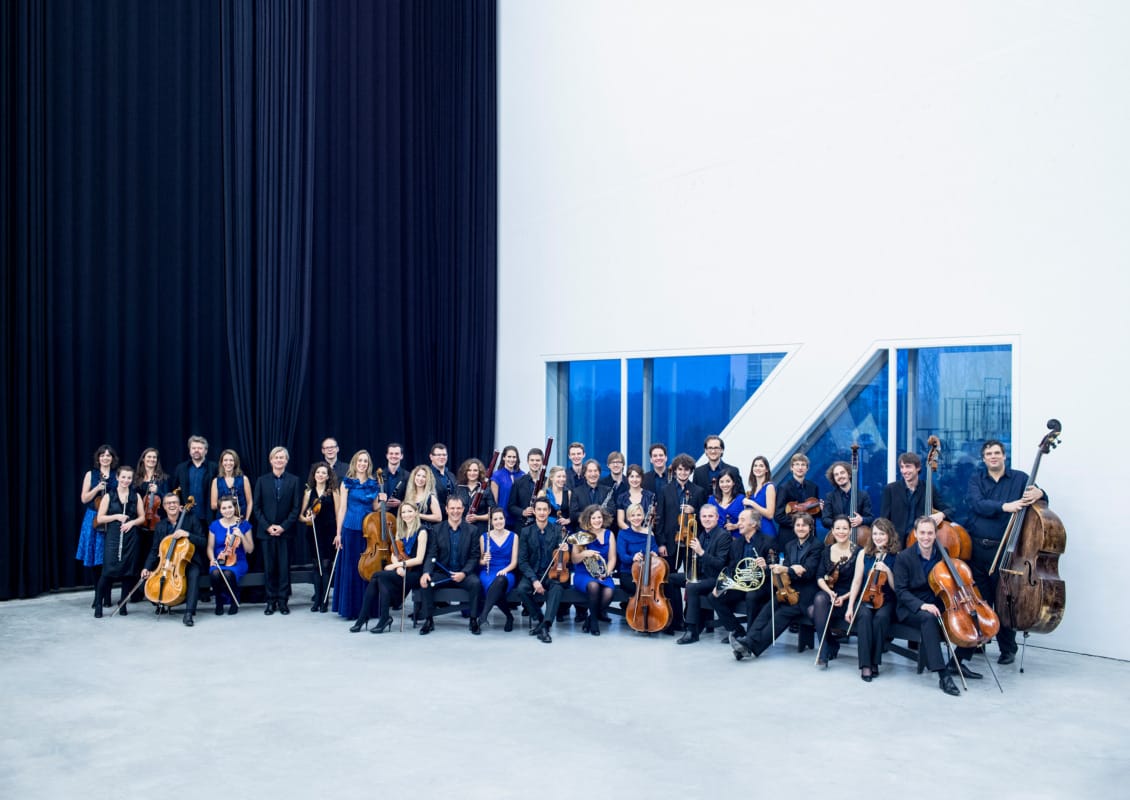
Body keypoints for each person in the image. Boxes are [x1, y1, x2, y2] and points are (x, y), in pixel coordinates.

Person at [964, 439, 1046, 665]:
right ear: (983, 459)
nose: (993, 456)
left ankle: (1007, 649)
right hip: (978, 549)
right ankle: (979, 641)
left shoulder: (1020, 479)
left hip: (1007, 551)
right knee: (980, 599)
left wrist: (1039, 492)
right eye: (989, 454)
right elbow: (976, 504)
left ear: (1004, 456)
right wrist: (1005, 506)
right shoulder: (976, 479)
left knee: (1004, 600)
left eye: (996, 453)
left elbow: (1042, 499)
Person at [730, 512, 822, 660]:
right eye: (798, 525)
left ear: (810, 527)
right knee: (768, 608)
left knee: (781, 615)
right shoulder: (790, 545)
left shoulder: (817, 545)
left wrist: (788, 569)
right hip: (787, 589)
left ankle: (750, 647)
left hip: (805, 594)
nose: (800, 528)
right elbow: (787, 571)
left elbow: (808, 573)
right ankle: (748, 641)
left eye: (804, 525)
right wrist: (774, 568)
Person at [893, 516, 964, 696]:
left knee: (970, 616)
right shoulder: (904, 557)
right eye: (922, 533)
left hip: (937, 602)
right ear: (916, 534)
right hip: (911, 607)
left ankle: (958, 660)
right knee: (929, 618)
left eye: (930, 533)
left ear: (935, 535)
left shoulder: (943, 553)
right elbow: (901, 591)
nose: (926, 537)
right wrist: (922, 605)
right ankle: (943, 675)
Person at [350, 503, 428, 634]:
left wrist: (396, 565)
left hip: (415, 573)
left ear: (416, 513)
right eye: (403, 512)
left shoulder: (422, 531)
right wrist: (398, 565)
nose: (406, 515)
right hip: (401, 569)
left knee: (377, 575)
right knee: (379, 579)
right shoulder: (401, 531)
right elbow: (394, 553)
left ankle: (364, 618)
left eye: (410, 511)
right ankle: (381, 618)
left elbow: (419, 559)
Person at [702, 507, 773, 645]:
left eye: (742, 520)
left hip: (761, 585)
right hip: (741, 584)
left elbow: (774, 566)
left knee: (751, 596)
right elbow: (732, 567)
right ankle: (737, 631)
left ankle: (751, 637)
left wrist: (766, 566)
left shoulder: (768, 541)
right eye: (739, 519)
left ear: (753, 524)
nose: (738, 523)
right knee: (714, 597)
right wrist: (722, 586)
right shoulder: (736, 543)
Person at [844, 517, 900, 681]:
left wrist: (887, 571)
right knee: (864, 616)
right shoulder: (864, 553)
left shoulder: (897, 556)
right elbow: (856, 581)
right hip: (866, 597)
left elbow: (897, 588)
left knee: (880, 618)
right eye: (875, 534)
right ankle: (866, 665)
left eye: (882, 534)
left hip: (887, 599)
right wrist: (850, 607)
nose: (878, 537)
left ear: (889, 535)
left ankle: (875, 662)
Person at [418, 495, 483, 634]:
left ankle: (473, 620)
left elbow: (474, 556)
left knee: (476, 584)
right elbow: (431, 554)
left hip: (463, 573)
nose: (455, 511)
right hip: (443, 573)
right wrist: (426, 572)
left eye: (458, 508)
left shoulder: (473, 530)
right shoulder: (436, 529)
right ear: (446, 509)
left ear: (463, 509)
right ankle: (428, 620)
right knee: (426, 582)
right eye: (452, 508)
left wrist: (464, 573)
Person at [141, 492, 207, 626]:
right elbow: (155, 550)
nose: (172, 505)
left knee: (193, 575)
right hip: (167, 563)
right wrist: (146, 567)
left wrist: (187, 534)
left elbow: (203, 541)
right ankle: (161, 602)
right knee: (145, 583)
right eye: (168, 503)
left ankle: (189, 613)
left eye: (174, 502)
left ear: (179, 505)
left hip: (189, 561)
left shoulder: (191, 519)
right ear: (164, 506)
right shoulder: (160, 525)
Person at [618, 502, 683, 634]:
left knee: (668, 586)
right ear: (628, 518)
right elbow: (622, 556)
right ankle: (642, 619)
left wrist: (654, 554)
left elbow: (655, 551)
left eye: (639, 515)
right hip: (630, 574)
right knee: (642, 590)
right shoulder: (623, 534)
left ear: (643, 516)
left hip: (649, 574)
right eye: (633, 515)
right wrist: (632, 557)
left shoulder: (649, 533)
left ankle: (672, 622)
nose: (636, 518)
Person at [252, 446, 302, 615]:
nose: (279, 460)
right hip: (266, 532)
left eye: (282, 457)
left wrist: (283, 527)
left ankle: (283, 601)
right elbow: (257, 507)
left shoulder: (294, 480)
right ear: (271, 460)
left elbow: (296, 508)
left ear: (286, 461)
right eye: (276, 457)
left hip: (285, 532)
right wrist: (268, 526)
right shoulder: (261, 480)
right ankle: (270, 601)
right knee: (269, 568)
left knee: (283, 569)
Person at [332, 450, 380, 620]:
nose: (362, 464)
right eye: (360, 460)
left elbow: (375, 508)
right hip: (350, 529)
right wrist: (338, 533)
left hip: (369, 531)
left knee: (367, 568)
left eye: (365, 461)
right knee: (351, 567)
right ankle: (350, 609)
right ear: (355, 462)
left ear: (369, 464)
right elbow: (342, 509)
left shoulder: (374, 483)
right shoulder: (347, 483)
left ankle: (367, 608)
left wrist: (383, 500)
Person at [94, 464, 145, 617]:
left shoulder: (136, 496)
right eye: (123, 477)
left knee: (128, 573)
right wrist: (116, 516)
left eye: (129, 478)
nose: (126, 480)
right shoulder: (109, 496)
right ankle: (98, 604)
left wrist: (131, 523)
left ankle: (123, 604)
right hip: (114, 536)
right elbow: (100, 518)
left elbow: (142, 517)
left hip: (131, 536)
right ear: (117, 477)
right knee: (107, 572)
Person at [516, 497, 568, 644]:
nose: (542, 512)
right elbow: (522, 561)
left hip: (551, 572)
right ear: (534, 511)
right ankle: (540, 620)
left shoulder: (557, 530)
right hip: (533, 572)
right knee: (521, 589)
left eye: (545, 509)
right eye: (539, 509)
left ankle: (546, 625)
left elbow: (561, 557)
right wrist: (534, 580)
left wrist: (565, 549)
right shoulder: (526, 531)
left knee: (557, 587)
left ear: (549, 511)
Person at [813, 516, 860, 667]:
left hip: (849, 597)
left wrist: (844, 597)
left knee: (813, 611)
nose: (841, 532)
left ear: (850, 530)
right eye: (837, 528)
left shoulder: (858, 552)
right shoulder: (827, 550)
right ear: (832, 531)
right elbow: (820, 577)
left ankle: (828, 647)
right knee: (819, 600)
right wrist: (830, 593)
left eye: (845, 528)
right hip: (830, 594)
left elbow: (859, 583)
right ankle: (826, 648)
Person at [880, 452, 956, 544]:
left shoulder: (928, 488)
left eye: (908, 466)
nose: (904, 471)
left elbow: (950, 510)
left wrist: (942, 514)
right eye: (902, 467)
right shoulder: (890, 489)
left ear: (918, 468)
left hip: (921, 542)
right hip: (897, 543)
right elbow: (884, 520)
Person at [76, 445, 118, 606]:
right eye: (102, 455)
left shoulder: (117, 475)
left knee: (108, 558)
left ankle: (108, 595)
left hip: (110, 517)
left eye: (108, 455)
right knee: (95, 559)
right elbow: (84, 499)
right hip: (93, 518)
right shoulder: (90, 474)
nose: (105, 458)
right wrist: (97, 488)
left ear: (112, 458)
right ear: (98, 458)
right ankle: (98, 595)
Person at [571, 506, 617, 636]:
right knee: (593, 585)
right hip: (583, 574)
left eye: (599, 517)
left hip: (603, 572)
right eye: (593, 518)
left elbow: (612, 558)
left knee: (609, 592)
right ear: (588, 519)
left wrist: (606, 573)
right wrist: (584, 553)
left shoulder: (609, 534)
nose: (597, 520)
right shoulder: (581, 535)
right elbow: (574, 559)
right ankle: (595, 623)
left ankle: (590, 619)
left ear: (603, 518)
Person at [657, 454, 707, 569]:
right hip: (670, 541)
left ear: (691, 471)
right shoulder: (665, 490)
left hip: (691, 541)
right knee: (669, 575)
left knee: (690, 574)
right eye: (680, 469)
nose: (683, 472)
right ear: (675, 470)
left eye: (686, 470)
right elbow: (660, 518)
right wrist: (661, 543)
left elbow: (704, 517)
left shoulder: (698, 491)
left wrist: (694, 511)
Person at [301, 461, 338, 612]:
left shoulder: (333, 492)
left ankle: (324, 600)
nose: (320, 475)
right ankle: (317, 599)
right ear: (314, 474)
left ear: (328, 476)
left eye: (324, 473)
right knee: (316, 566)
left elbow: (338, 514)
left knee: (326, 566)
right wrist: (307, 518)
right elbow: (301, 515)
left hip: (329, 532)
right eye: (318, 472)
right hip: (313, 532)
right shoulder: (308, 492)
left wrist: (338, 534)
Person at [207, 497, 254, 615]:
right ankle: (219, 602)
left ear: (235, 508)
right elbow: (210, 547)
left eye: (230, 507)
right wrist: (212, 559)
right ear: (220, 510)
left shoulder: (243, 524)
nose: (227, 510)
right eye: (224, 508)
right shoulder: (214, 525)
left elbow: (250, 550)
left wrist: (241, 535)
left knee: (229, 573)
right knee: (215, 573)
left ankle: (234, 601)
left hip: (238, 561)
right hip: (220, 559)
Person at [476, 508, 519, 631]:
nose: (498, 521)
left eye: (501, 518)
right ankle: (509, 617)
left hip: (507, 571)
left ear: (505, 519)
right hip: (488, 572)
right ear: (491, 521)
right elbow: (480, 561)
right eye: (495, 519)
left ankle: (483, 616)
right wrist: (484, 560)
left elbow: (514, 562)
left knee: (500, 580)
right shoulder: (484, 537)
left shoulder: (514, 536)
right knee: (496, 589)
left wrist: (505, 570)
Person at [134, 448, 169, 581]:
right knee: (138, 555)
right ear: (143, 459)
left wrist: (158, 491)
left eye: (154, 457)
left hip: (156, 522)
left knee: (155, 553)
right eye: (149, 457)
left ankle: (153, 585)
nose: (151, 460)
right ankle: (139, 586)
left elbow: (169, 500)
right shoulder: (136, 479)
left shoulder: (163, 479)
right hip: (139, 522)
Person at [772, 453, 817, 548]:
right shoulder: (784, 488)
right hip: (789, 537)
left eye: (803, 465)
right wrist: (800, 524)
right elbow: (778, 516)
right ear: (791, 468)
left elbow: (814, 514)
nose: (800, 467)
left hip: (809, 538)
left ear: (807, 468)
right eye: (797, 464)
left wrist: (820, 509)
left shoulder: (813, 487)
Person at [171, 435, 218, 526]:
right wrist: (177, 504)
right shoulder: (181, 468)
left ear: (206, 451)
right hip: (186, 516)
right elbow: (174, 489)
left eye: (200, 448)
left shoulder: (214, 468)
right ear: (190, 451)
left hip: (208, 517)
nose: (196, 450)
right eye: (193, 448)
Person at [821, 460, 873, 533]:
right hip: (838, 535)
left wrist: (862, 520)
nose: (840, 476)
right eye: (836, 475)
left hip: (858, 535)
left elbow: (870, 518)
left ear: (849, 474)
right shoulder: (830, 496)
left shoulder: (863, 495)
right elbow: (825, 520)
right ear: (834, 479)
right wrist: (840, 524)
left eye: (842, 473)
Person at [507, 446, 545, 527]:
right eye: (532, 460)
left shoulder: (547, 482)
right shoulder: (518, 482)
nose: (535, 463)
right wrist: (523, 512)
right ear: (528, 461)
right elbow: (511, 506)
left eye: (538, 460)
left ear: (542, 462)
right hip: (523, 525)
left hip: (543, 525)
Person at [210, 449, 253, 520]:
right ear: (221, 462)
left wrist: (246, 520)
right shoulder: (216, 481)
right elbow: (213, 505)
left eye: (231, 460)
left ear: (235, 462)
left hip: (241, 519)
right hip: (222, 520)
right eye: (225, 460)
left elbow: (250, 502)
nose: (228, 463)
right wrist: (229, 506)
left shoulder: (244, 479)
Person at [455, 457, 495, 533]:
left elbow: (493, 512)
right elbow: (452, 510)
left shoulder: (486, 489)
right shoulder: (458, 488)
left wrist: (477, 517)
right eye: (469, 470)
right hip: (462, 527)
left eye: (475, 470)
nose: (472, 473)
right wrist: (463, 518)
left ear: (480, 472)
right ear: (465, 472)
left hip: (481, 529)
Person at [743, 456, 778, 541]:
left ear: (766, 470)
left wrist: (751, 503)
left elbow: (770, 514)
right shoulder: (752, 489)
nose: (757, 468)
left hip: (766, 530)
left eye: (761, 466)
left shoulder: (769, 487)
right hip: (754, 531)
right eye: (755, 466)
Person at [491, 445, 524, 529]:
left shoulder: (522, 475)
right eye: (509, 457)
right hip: (503, 519)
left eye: (514, 457)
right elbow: (494, 501)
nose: (511, 459)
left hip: (519, 518)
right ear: (504, 458)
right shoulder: (497, 475)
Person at [616, 464, 656, 531]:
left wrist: (643, 532)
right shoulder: (621, 498)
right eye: (632, 476)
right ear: (627, 478)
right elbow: (620, 522)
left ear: (641, 478)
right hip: (628, 533)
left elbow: (651, 520)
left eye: (638, 476)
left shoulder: (650, 496)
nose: (634, 480)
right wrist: (633, 533)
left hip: (645, 533)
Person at [570, 458, 612, 523]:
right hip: (583, 528)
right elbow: (573, 515)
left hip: (602, 527)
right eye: (590, 471)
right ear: (584, 474)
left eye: (595, 471)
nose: (593, 474)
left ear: (599, 473)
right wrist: (592, 515)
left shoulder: (607, 491)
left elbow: (611, 510)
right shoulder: (576, 492)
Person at [708, 468, 745, 534]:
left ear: (733, 482)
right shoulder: (712, 500)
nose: (725, 485)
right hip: (717, 537)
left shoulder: (741, 499)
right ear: (718, 483)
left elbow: (748, 520)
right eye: (721, 482)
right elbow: (708, 520)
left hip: (737, 537)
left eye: (728, 481)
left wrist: (736, 526)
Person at [598, 451, 629, 526]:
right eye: (612, 462)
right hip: (607, 524)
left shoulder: (629, 483)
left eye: (618, 462)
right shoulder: (601, 483)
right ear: (608, 465)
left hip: (626, 523)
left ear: (623, 464)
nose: (615, 465)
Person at [540, 466, 574, 533]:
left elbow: (573, 513)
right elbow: (538, 514)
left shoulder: (568, 493)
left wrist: (568, 520)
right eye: (559, 476)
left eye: (564, 476)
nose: (562, 479)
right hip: (547, 530)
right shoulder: (543, 494)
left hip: (565, 530)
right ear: (551, 478)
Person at [378, 442, 409, 508]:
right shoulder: (377, 475)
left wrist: (401, 503)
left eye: (397, 454)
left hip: (401, 513)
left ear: (401, 456)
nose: (394, 456)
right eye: (391, 453)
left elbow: (412, 498)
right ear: (387, 456)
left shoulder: (408, 476)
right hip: (382, 512)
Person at [427, 443, 456, 511]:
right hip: (433, 515)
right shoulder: (426, 474)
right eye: (438, 455)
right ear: (431, 457)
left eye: (444, 455)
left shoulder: (451, 475)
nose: (442, 457)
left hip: (452, 515)